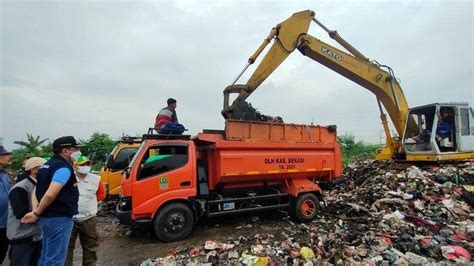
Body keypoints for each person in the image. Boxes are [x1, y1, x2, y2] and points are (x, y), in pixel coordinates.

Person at [22, 136, 82, 266]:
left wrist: (36, 211)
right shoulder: (63, 168)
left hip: (47, 218)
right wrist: (37, 213)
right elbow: (51, 194)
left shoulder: (46, 166)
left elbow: (36, 190)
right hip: (58, 218)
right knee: (55, 259)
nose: (78, 152)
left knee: (46, 256)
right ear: (65, 151)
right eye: (75, 149)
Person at [65, 155, 105, 266]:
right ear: (75, 166)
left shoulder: (96, 179)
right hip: (70, 218)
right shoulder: (68, 178)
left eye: (88, 164)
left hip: (88, 218)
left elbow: (101, 195)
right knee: (67, 247)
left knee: (90, 247)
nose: (86, 167)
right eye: (82, 164)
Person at [7, 157, 46, 265]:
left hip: (36, 236)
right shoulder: (20, 188)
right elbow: (22, 214)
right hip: (22, 238)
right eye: (44, 168)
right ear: (34, 170)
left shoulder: (40, 186)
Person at [0, 145, 13, 264]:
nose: (10, 157)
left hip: (6, 224)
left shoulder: (5, 175)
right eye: (6, 155)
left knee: (2, 251)